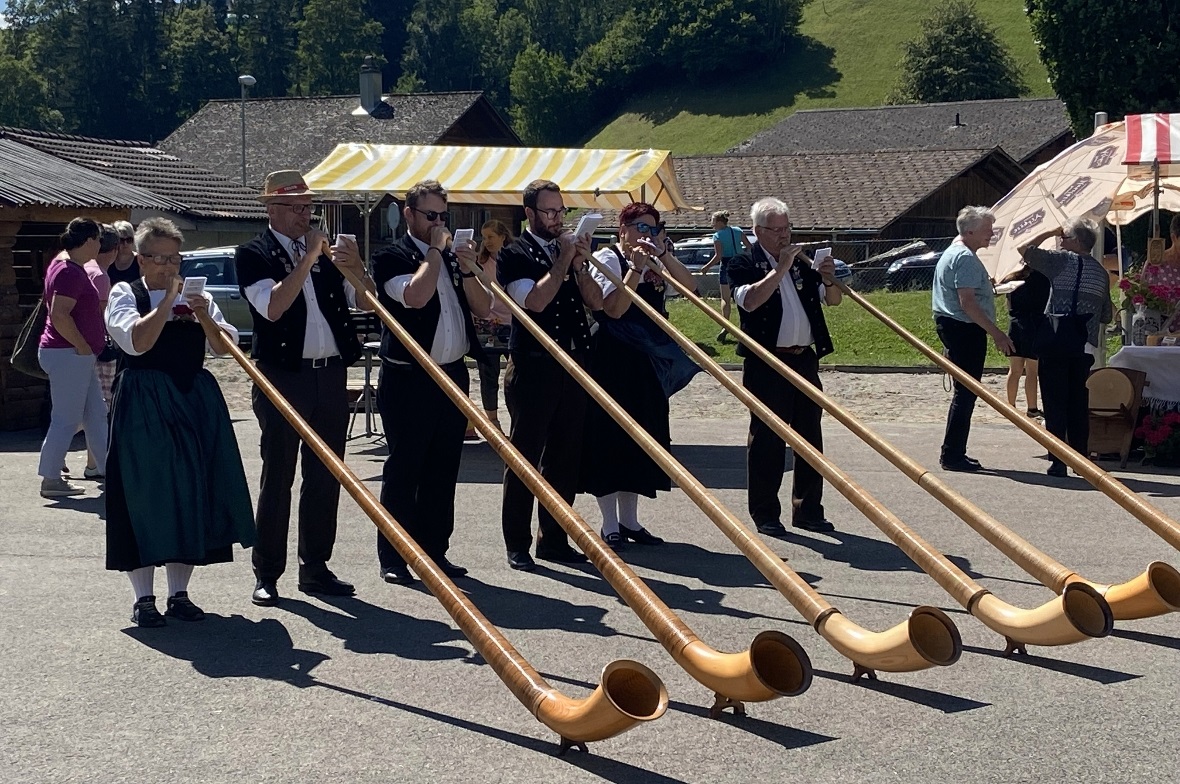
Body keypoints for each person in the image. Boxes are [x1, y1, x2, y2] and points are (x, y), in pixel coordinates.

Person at [104, 217, 256, 627]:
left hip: (191, 397)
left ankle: (179, 593)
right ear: (140, 259)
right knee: (146, 493)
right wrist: (167, 304)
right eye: (160, 259)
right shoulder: (125, 293)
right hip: (143, 400)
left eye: (175, 258)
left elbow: (226, 350)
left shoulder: (198, 295)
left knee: (191, 488)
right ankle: (144, 598)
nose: (170, 267)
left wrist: (204, 316)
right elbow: (136, 343)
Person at [235, 170, 376, 606]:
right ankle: (267, 571)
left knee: (326, 474)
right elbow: (273, 308)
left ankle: (315, 566)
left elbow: (370, 303)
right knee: (278, 474)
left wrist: (354, 269)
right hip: (283, 375)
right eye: (297, 208)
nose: (306, 215)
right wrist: (308, 259)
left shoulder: (326, 255)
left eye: (308, 207)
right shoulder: (253, 253)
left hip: (330, 373)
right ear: (272, 210)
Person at [370, 180, 493, 585]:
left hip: (453, 373)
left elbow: (483, 306)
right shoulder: (391, 256)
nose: (438, 222)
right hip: (410, 377)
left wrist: (469, 266)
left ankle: (435, 551)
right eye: (431, 216)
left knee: (444, 467)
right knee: (406, 468)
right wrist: (437, 253)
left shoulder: (451, 258)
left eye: (443, 216)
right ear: (409, 215)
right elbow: (415, 297)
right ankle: (394, 555)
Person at [497, 179, 604, 571]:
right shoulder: (515, 253)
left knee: (564, 457)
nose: (557, 219)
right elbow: (534, 302)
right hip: (534, 366)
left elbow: (597, 304)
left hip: (573, 363)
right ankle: (517, 541)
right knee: (524, 455)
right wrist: (562, 260)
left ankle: (555, 538)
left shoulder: (569, 252)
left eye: (561, 211)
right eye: (549, 212)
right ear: (529, 214)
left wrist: (581, 266)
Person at [581, 202, 700, 548]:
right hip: (612, 358)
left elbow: (691, 287)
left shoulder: (655, 259)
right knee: (610, 439)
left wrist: (662, 254)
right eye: (639, 229)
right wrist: (633, 270)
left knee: (641, 439)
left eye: (652, 229)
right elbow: (613, 310)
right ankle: (609, 524)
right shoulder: (608, 259)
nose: (645, 236)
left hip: (645, 360)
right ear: (623, 231)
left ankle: (631, 521)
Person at [728, 197, 842, 536]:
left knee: (810, 434)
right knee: (767, 438)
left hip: (803, 357)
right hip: (767, 360)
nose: (783, 235)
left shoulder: (802, 262)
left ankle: (808, 509)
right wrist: (779, 269)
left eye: (787, 228)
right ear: (757, 231)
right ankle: (765, 513)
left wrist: (830, 278)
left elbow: (832, 300)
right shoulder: (742, 262)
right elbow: (749, 302)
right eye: (776, 230)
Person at [1017, 219, 1113, 478]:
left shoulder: (1060, 261)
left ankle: (1057, 459)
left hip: (1056, 340)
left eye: (1066, 236)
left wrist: (1048, 231)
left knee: (1054, 401)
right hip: (1084, 345)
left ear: (1077, 242)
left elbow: (1024, 249)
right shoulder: (1101, 273)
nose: (1061, 240)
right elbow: (1106, 314)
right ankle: (1080, 458)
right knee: (1078, 402)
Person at [932, 206, 1015, 472]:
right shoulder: (964, 257)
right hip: (963, 328)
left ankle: (954, 451)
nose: (991, 234)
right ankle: (952, 453)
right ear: (969, 231)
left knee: (966, 393)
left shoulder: (957, 253)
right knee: (966, 392)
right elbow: (967, 302)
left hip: (956, 326)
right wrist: (997, 334)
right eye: (986, 230)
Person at [36, 218, 108, 498]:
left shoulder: (64, 263)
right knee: (66, 419)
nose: (101, 245)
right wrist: (81, 345)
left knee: (96, 414)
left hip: (74, 355)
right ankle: (51, 478)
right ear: (89, 240)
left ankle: (108, 470)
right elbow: (59, 313)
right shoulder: (68, 271)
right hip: (69, 354)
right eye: (99, 240)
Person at [466, 218, 514, 438]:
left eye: (491, 237)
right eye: (484, 238)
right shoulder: (480, 262)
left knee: (515, 375)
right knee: (488, 374)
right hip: (487, 324)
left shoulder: (514, 257)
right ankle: (492, 420)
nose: (487, 242)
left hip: (512, 323)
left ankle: (517, 418)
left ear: (503, 236)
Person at [1001, 265, 1051, 418]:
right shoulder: (1042, 278)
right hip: (1035, 325)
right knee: (1032, 371)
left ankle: (1010, 406)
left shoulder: (1011, 279)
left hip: (1016, 325)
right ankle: (1032, 407)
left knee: (1014, 370)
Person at [699, 210, 753, 341]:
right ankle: (745, 326)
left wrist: (706, 267)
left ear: (718, 222)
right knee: (743, 296)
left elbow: (718, 256)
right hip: (741, 263)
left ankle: (726, 325)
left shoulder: (717, 236)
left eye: (713, 221)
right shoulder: (738, 230)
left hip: (727, 264)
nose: (711, 223)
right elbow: (750, 247)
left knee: (725, 298)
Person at [106, 220, 140, 286]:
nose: (125, 243)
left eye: (129, 240)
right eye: (121, 240)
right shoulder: (109, 260)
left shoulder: (139, 261)